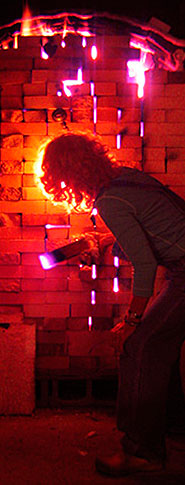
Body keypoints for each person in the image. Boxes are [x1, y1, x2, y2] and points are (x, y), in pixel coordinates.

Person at [40, 131, 185, 477]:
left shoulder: (110, 201)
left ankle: (142, 452)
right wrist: (105, 240)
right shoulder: (124, 178)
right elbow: (156, 227)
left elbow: (146, 264)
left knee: (140, 346)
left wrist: (133, 320)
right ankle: (173, 426)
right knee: (158, 346)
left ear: (67, 176)